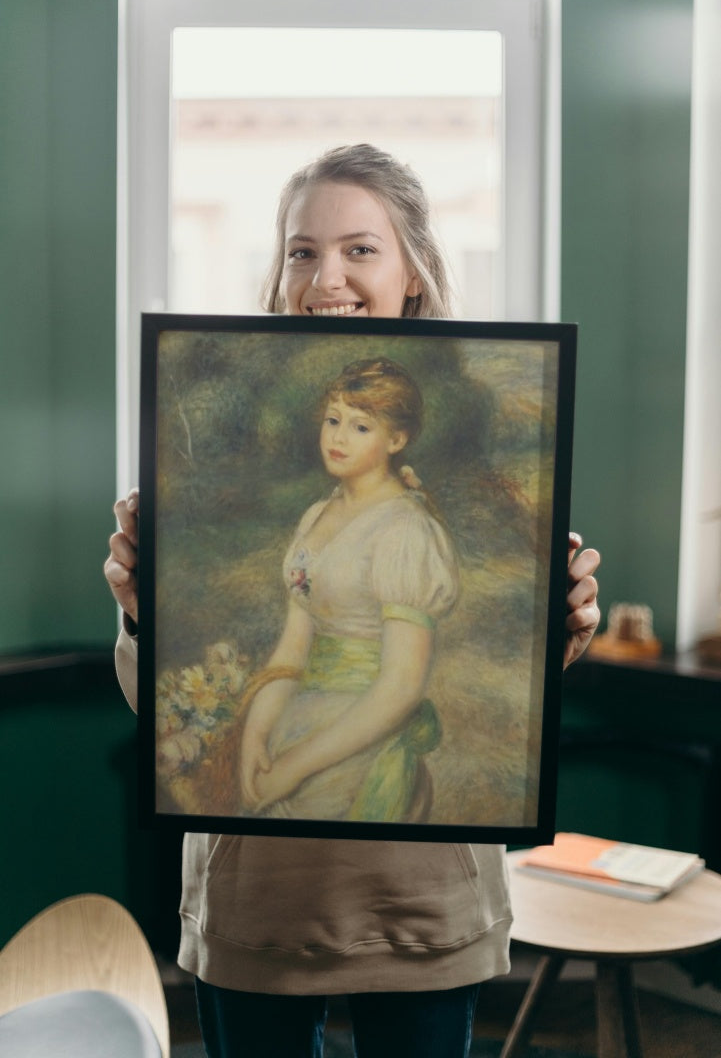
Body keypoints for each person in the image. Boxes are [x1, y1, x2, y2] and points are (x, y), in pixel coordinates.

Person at [105, 143, 601, 1058]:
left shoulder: (430, 518)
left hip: (413, 896)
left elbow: (405, 689)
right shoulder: (304, 508)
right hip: (256, 895)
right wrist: (153, 622)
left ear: (413, 270)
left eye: (359, 249)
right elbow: (206, 681)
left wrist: (555, 634)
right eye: (301, 250)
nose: (324, 275)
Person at [239, 357, 458, 823]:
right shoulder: (316, 516)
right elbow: (292, 651)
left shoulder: (403, 530)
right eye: (333, 420)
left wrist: (296, 767)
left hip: (360, 742)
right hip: (296, 727)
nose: (338, 438)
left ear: (396, 440)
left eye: (360, 427)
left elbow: (401, 687)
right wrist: (255, 737)